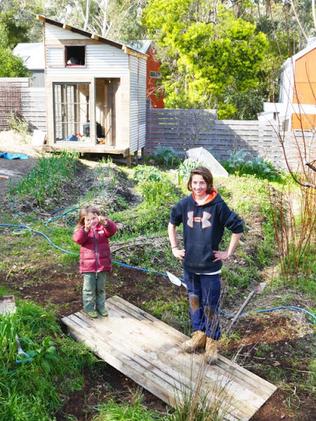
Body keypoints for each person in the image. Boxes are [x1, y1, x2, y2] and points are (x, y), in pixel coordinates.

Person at [168, 166, 244, 363]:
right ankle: (199, 334)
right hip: (190, 266)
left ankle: (211, 341)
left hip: (210, 268)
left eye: (202, 182)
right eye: (195, 182)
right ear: (190, 184)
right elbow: (172, 222)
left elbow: (238, 228)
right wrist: (175, 247)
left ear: (208, 183)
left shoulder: (217, 205)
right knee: (194, 300)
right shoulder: (185, 204)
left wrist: (228, 252)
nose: (198, 186)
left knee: (210, 305)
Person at [73, 205, 117, 318]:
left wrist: (106, 222)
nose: (91, 221)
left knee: (100, 288)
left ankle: (101, 307)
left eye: (94, 218)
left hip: (102, 265)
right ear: (83, 220)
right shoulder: (82, 230)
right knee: (88, 289)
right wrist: (86, 230)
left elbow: (112, 231)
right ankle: (88, 308)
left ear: (98, 217)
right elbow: (78, 239)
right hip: (88, 266)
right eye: (88, 219)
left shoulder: (102, 228)